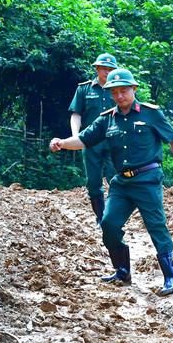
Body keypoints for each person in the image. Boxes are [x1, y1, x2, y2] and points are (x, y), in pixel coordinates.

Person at [49, 68, 173, 296]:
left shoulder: (150, 114)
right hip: (121, 184)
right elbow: (84, 139)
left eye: (124, 91)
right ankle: (122, 269)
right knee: (109, 224)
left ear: (133, 89)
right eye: (115, 92)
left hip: (147, 180)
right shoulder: (106, 120)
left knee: (156, 226)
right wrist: (61, 143)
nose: (120, 96)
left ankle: (171, 276)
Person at [67, 53, 118, 224]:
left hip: (114, 142)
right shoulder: (84, 89)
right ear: (97, 68)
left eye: (111, 69)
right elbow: (76, 114)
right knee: (93, 182)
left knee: (117, 180)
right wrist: (76, 136)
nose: (107, 71)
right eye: (104, 68)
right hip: (90, 142)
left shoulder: (118, 90)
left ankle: (113, 217)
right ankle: (100, 218)